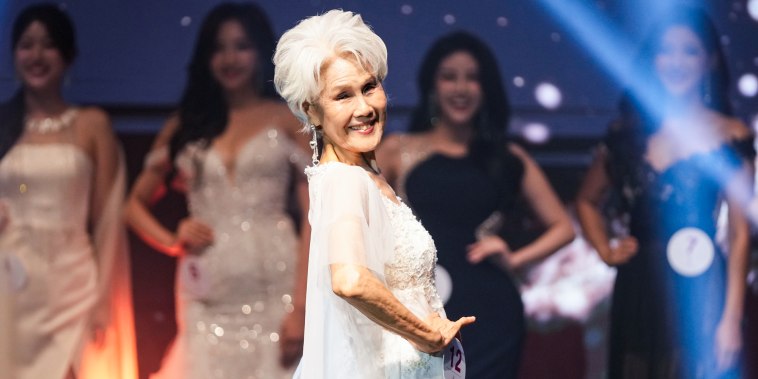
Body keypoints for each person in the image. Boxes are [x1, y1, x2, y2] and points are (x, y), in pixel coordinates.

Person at [273, 10, 476, 378]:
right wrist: (426, 333)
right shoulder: (345, 180)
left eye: (369, 87)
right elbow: (349, 280)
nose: (364, 108)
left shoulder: (362, 175)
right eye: (342, 96)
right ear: (312, 112)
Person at [124, 3, 310, 378]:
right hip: (206, 293)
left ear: (260, 51)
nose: (230, 58)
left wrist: (303, 307)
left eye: (241, 46)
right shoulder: (186, 125)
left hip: (276, 286)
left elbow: (313, 217)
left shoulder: (286, 119)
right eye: (219, 48)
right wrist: (172, 238)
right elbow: (132, 206)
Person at [376, 31, 575, 378]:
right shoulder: (397, 150)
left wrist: (514, 258)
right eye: (449, 76)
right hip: (418, 307)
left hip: (489, 310)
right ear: (432, 85)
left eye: (472, 78)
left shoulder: (507, 158)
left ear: (487, 88)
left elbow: (564, 228)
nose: (461, 88)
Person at [575, 6, 753, 378]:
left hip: (703, 282)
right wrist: (606, 248)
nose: (676, 61)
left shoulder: (730, 134)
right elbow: (587, 201)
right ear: (651, 60)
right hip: (640, 283)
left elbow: (739, 235)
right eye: (665, 50)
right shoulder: (627, 133)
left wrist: (732, 318)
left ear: (709, 61)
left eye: (689, 51)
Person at [0, 4, 137, 379]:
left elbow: (107, 221)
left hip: (71, 285)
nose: (37, 55)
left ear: (68, 55)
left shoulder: (92, 124)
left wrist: (104, 301)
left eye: (48, 45)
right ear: (14, 54)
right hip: (9, 284)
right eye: (27, 45)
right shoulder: (3, 125)